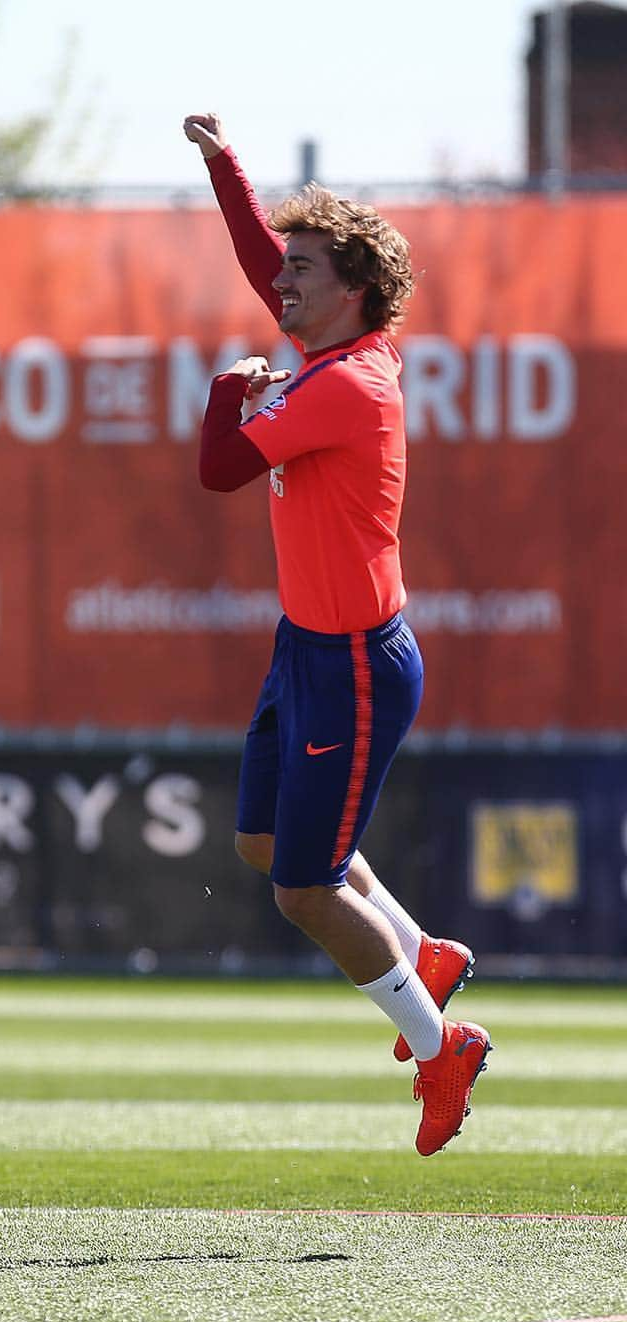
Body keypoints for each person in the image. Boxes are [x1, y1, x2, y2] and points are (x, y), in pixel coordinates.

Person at [183, 111, 491, 1156]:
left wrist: (229, 391)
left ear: (353, 289)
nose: (282, 286)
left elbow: (219, 467)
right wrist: (226, 166)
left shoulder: (348, 384)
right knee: (265, 843)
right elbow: (266, 255)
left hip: (354, 664)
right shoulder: (336, 349)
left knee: (301, 888)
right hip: (306, 649)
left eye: (305, 273)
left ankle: (438, 1041)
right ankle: (422, 952)